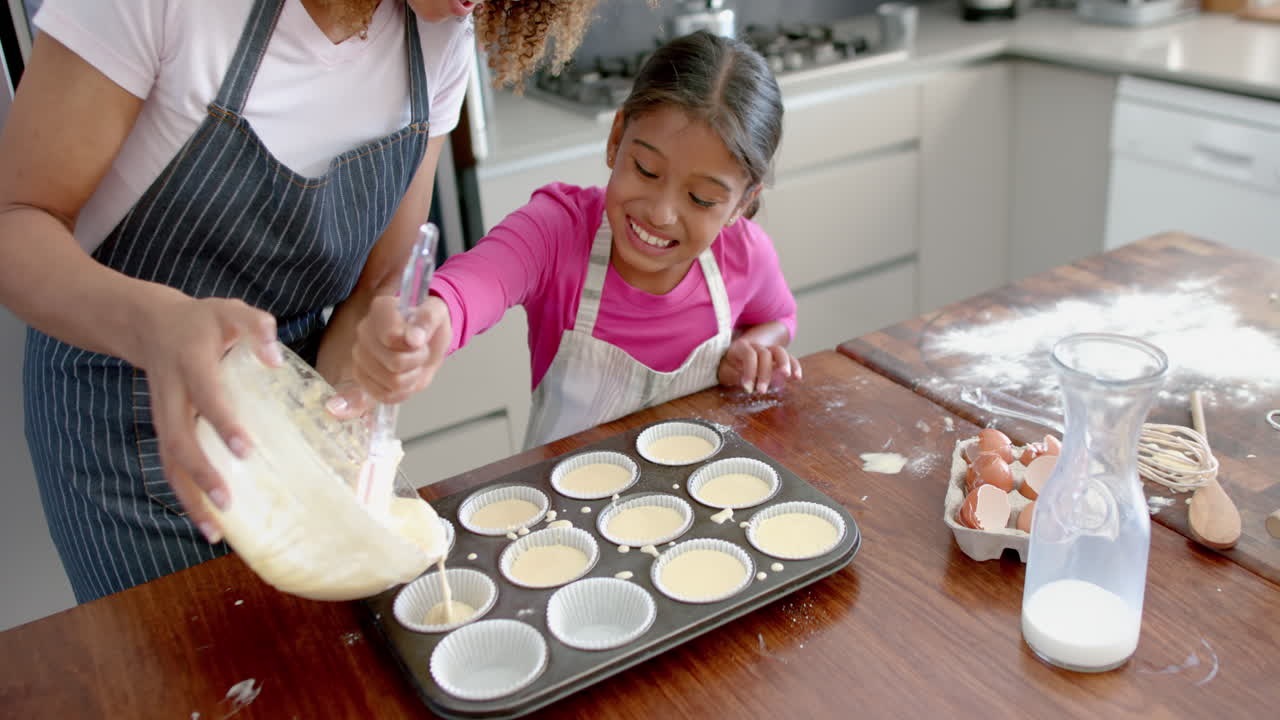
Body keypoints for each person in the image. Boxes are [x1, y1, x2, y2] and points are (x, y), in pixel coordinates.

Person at [0, 0, 599, 603]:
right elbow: (15, 220)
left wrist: (373, 361)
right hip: (126, 432)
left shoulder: (441, 34)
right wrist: (154, 323)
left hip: (301, 411)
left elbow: (380, 280)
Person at [341, 30, 802, 450]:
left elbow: (779, 315)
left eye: (702, 199)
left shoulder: (746, 255)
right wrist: (431, 320)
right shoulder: (558, 230)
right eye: (645, 170)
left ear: (743, 203)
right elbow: (479, 281)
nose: (661, 213)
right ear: (617, 137)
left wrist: (755, 345)